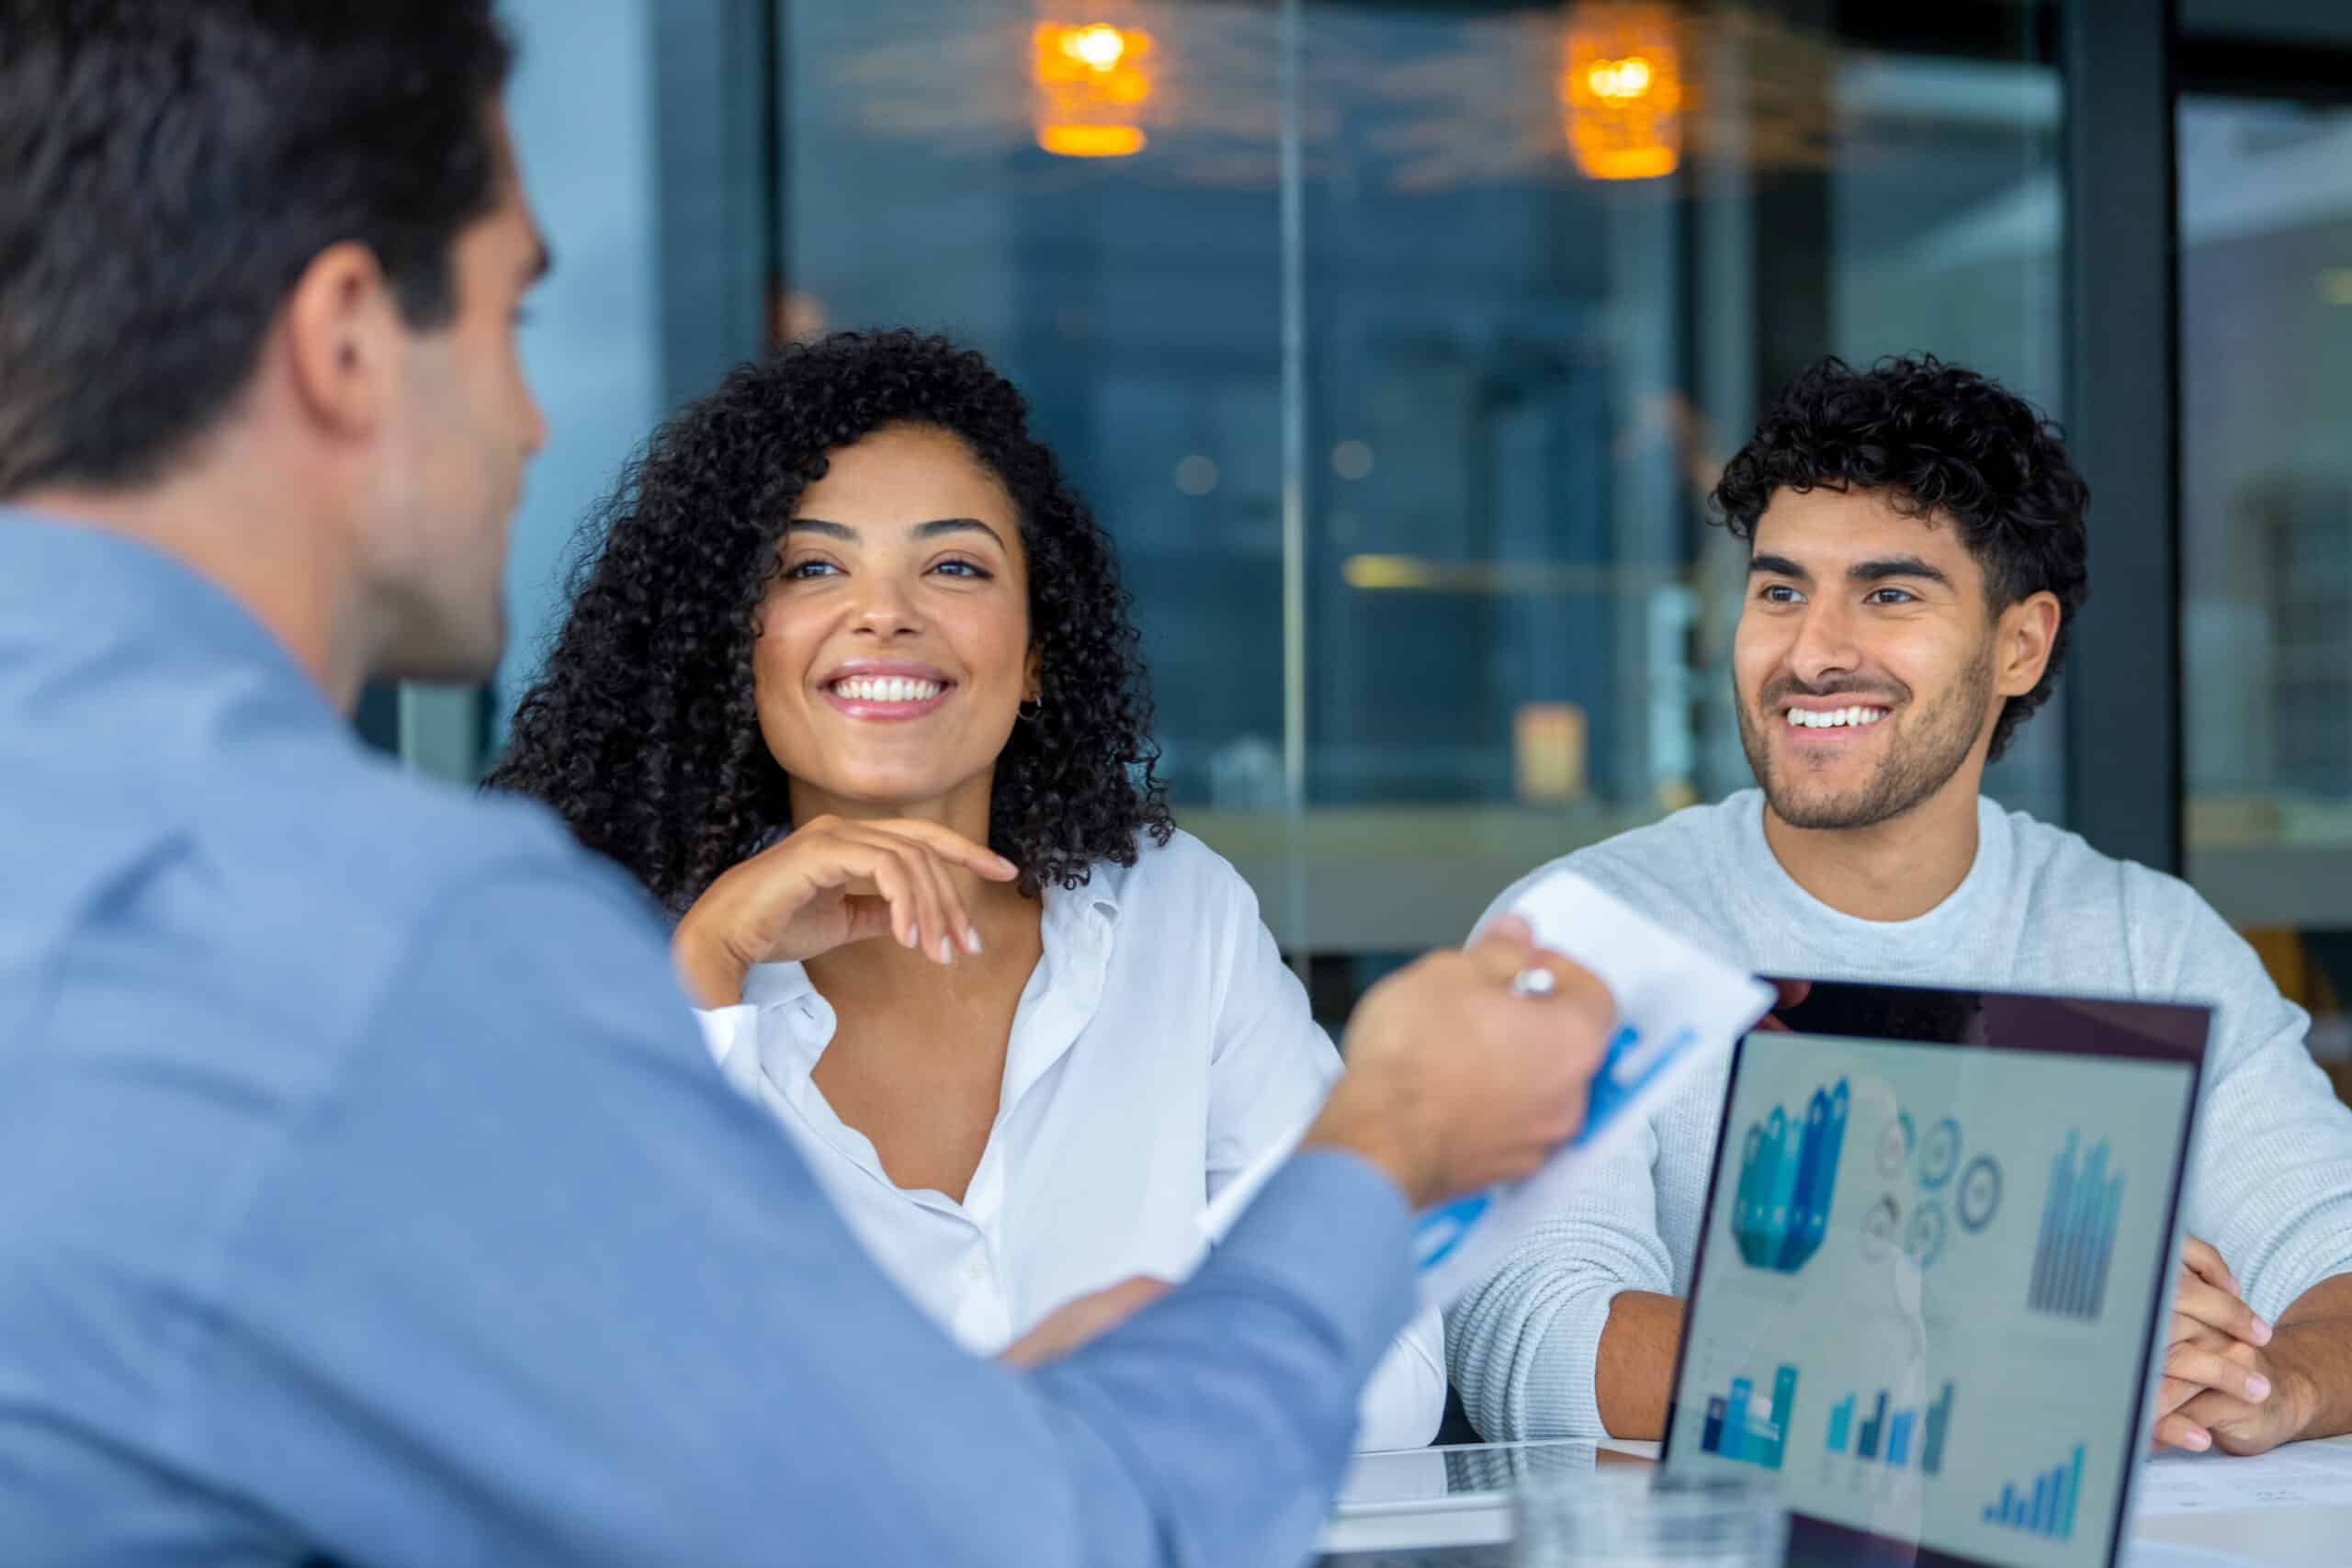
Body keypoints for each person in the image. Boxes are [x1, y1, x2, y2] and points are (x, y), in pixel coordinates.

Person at [0, 5, 1618, 1563]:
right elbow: (991, 1537)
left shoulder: (114, 840)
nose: (529, 417)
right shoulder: (390, 939)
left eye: (956, 569)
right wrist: (1392, 1131)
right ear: (348, 338)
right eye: (513, 317)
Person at [487, 331, 1446, 1449]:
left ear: (1038, 651)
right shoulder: (594, 953)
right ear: (731, 644)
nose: (884, 613)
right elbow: (595, 1402)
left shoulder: (1178, 917)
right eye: (810, 567)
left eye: (954, 566)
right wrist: (702, 978)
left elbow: (1390, 1370)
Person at [1446, 355, 2352, 1460]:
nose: (1811, 653)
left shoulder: (2142, 939)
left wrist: (2272, 1387)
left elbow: (2331, 1258)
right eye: (1779, 590)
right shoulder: (1589, 932)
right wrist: (1991, 1348)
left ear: (2019, 644)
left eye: (1887, 594)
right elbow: (1529, 1343)